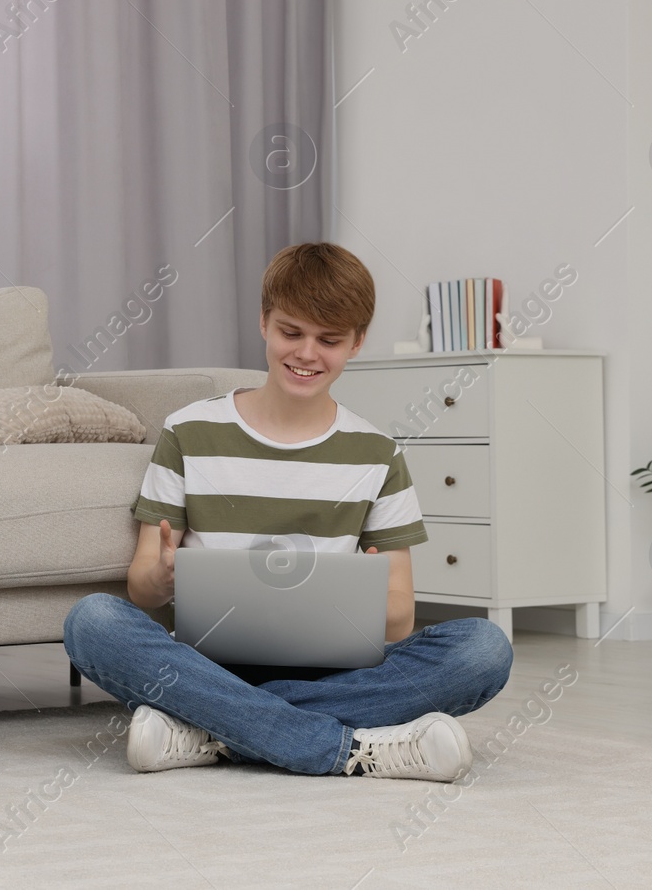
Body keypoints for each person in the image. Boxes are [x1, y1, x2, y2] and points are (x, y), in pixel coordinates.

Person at [63, 242, 513, 779]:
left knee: (482, 650)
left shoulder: (378, 454)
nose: (306, 354)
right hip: (207, 664)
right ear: (263, 323)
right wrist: (162, 578)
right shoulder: (188, 431)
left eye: (329, 340)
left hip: (331, 673)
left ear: (357, 343)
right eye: (291, 332)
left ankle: (210, 730)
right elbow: (139, 587)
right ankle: (346, 748)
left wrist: (362, 590)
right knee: (92, 621)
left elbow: (401, 617)